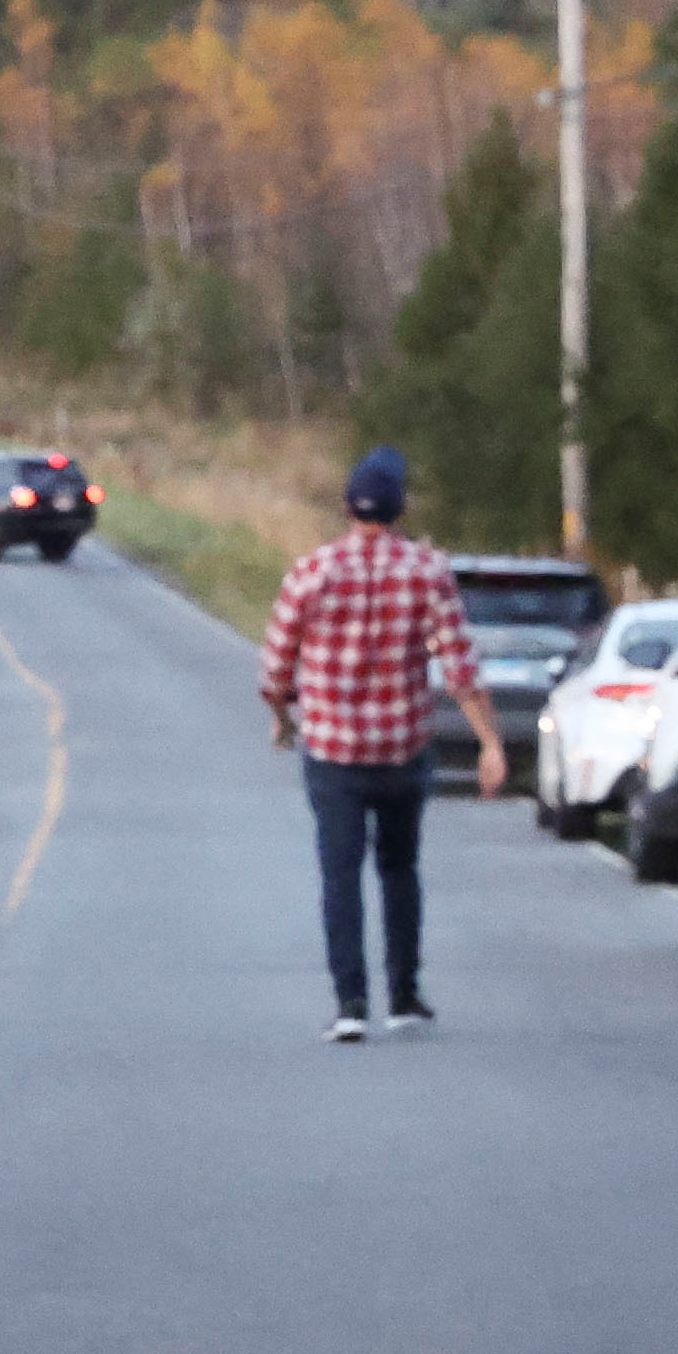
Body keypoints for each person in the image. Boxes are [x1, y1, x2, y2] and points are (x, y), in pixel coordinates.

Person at [259, 445, 501, 1043]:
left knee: (339, 873)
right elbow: (459, 668)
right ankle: (404, 994)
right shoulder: (428, 571)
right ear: (401, 508)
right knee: (399, 868)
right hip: (402, 750)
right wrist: (489, 743)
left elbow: (274, 669)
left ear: (347, 507)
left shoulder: (311, 572)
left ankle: (349, 1004)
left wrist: (283, 719)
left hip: (333, 753)